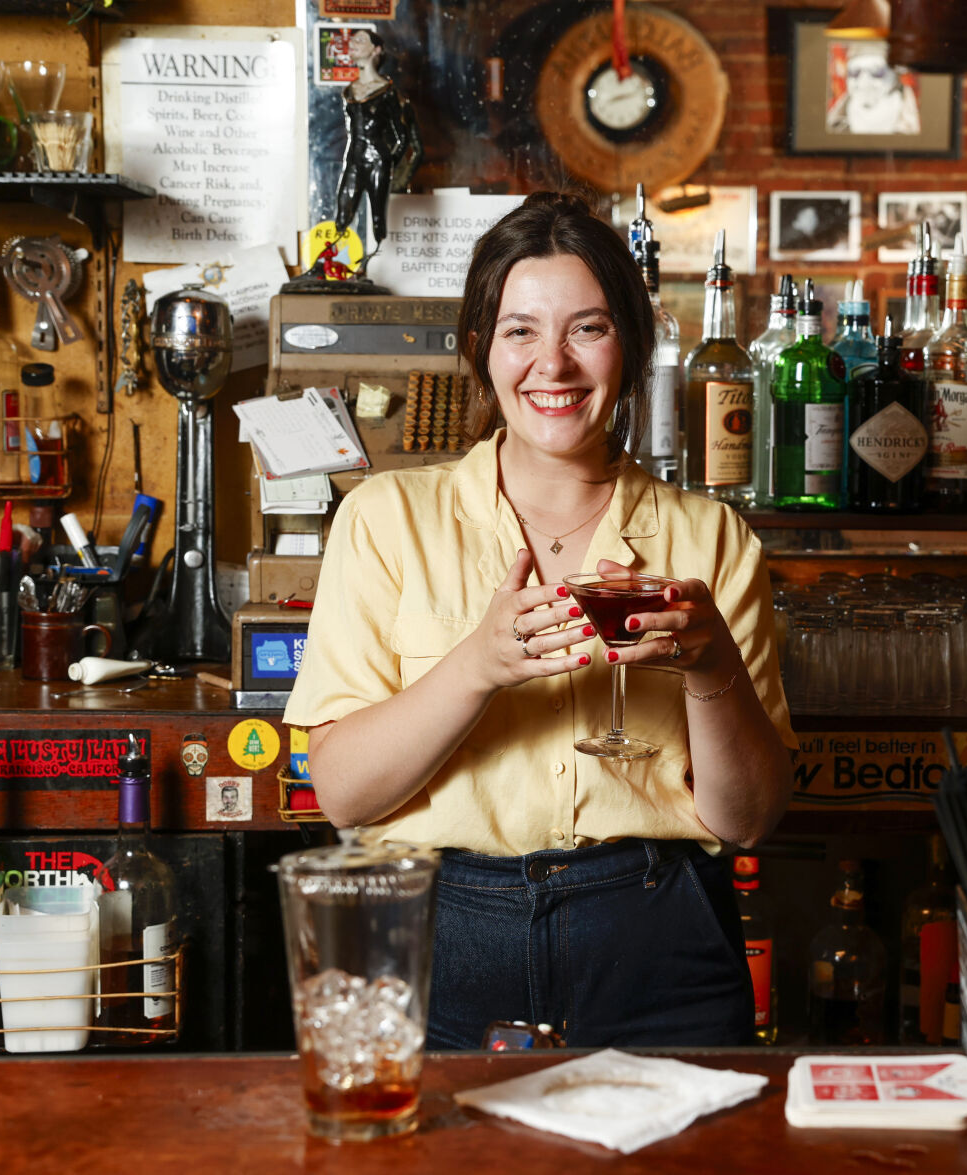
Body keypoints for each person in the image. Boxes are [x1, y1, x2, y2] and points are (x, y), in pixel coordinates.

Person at [285, 192, 797, 1050]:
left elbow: (746, 820)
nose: (552, 364)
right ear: (479, 349)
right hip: (439, 933)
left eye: (588, 329)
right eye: (520, 330)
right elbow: (341, 792)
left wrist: (710, 668)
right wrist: (475, 667)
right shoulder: (385, 519)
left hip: (657, 938)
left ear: (632, 347)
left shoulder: (711, 538)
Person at [331, 29, 419, 273]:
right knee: (343, 209)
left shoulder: (386, 90)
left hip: (377, 159)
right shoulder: (350, 91)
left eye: (360, 40)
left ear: (376, 50)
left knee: (378, 215)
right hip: (354, 158)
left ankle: (367, 264)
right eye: (353, 40)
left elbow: (402, 136)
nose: (353, 44)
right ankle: (337, 263)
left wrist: (389, 162)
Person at [826, 43, 920, 136]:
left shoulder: (911, 127)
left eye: (876, 72)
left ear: (895, 77)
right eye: (854, 72)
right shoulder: (834, 125)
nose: (863, 82)